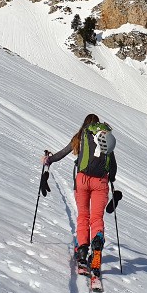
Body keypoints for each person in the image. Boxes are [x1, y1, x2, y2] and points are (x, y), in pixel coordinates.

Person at [43, 113, 117, 274]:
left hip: (82, 180)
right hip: (101, 183)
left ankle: (82, 253)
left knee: (83, 216)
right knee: (97, 218)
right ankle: (97, 245)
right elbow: (113, 168)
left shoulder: (81, 136)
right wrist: (109, 177)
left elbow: (61, 154)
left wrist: (49, 159)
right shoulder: (105, 138)